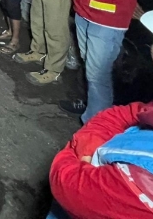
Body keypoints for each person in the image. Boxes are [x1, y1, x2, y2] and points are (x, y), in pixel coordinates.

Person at [46, 12, 153, 218]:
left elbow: (68, 185)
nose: (151, 50)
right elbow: (128, 113)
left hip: (76, 196)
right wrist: (89, 143)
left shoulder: (146, 175)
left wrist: (76, 155)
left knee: (98, 76)